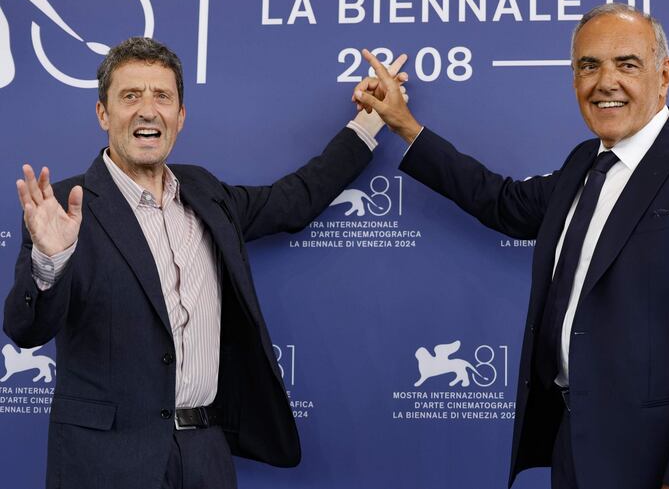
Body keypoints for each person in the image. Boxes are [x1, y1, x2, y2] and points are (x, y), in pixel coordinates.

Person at [353, 3, 669, 489]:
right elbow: (501, 202)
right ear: (573, 80)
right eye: (589, 66)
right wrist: (404, 124)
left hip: (665, 461)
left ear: (664, 75)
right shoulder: (582, 164)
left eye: (626, 64)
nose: (605, 81)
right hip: (576, 451)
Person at [3, 36, 406, 489]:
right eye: (130, 96)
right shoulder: (63, 206)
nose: (147, 110)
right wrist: (51, 259)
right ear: (103, 113)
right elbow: (26, 329)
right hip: (104, 462)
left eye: (162, 96)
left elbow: (295, 199)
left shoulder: (207, 193)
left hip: (204, 457)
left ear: (180, 116)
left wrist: (371, 120)